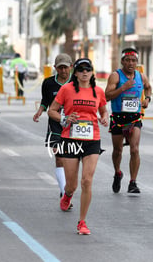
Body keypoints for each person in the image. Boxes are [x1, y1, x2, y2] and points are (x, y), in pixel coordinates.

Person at [48, 58, 109, 235]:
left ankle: (82, 222)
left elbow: (103, 110)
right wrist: (64, 119)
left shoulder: (98, 91)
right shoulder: (66, 89)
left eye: (87, 69)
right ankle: (67, 195)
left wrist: (105, 117)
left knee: (87, 180)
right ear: (75, 72)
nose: (84, 72)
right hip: (70, 140)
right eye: (80, 69)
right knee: (72, 185)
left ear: (92, 72)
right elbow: (52, 111)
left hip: (92, 139)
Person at [105, 48, 152, 194]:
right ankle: (118, 173)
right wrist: (123, 88)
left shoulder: (141, 76)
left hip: (135, 118)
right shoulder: (115, 76)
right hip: (118, 117)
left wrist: (147, 99)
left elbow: (148, 88)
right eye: (127, 60)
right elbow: (107, 96)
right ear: (122, 61)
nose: (130, 63)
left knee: (134, 149)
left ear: (137, 62)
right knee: (118, 150)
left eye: (133, 60)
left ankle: (133, 182)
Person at [33, 53, 72, 198]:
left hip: (73, 124)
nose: (63, 71)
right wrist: (39, 111)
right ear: (55, 68)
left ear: (71, 67)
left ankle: (68, 185)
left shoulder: (76, 82)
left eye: (65, 68)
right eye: (60, 68)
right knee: (59, 156)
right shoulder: (48, 83)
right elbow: (45, 100)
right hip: (55, 123)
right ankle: (64, 191)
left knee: (71, 158)